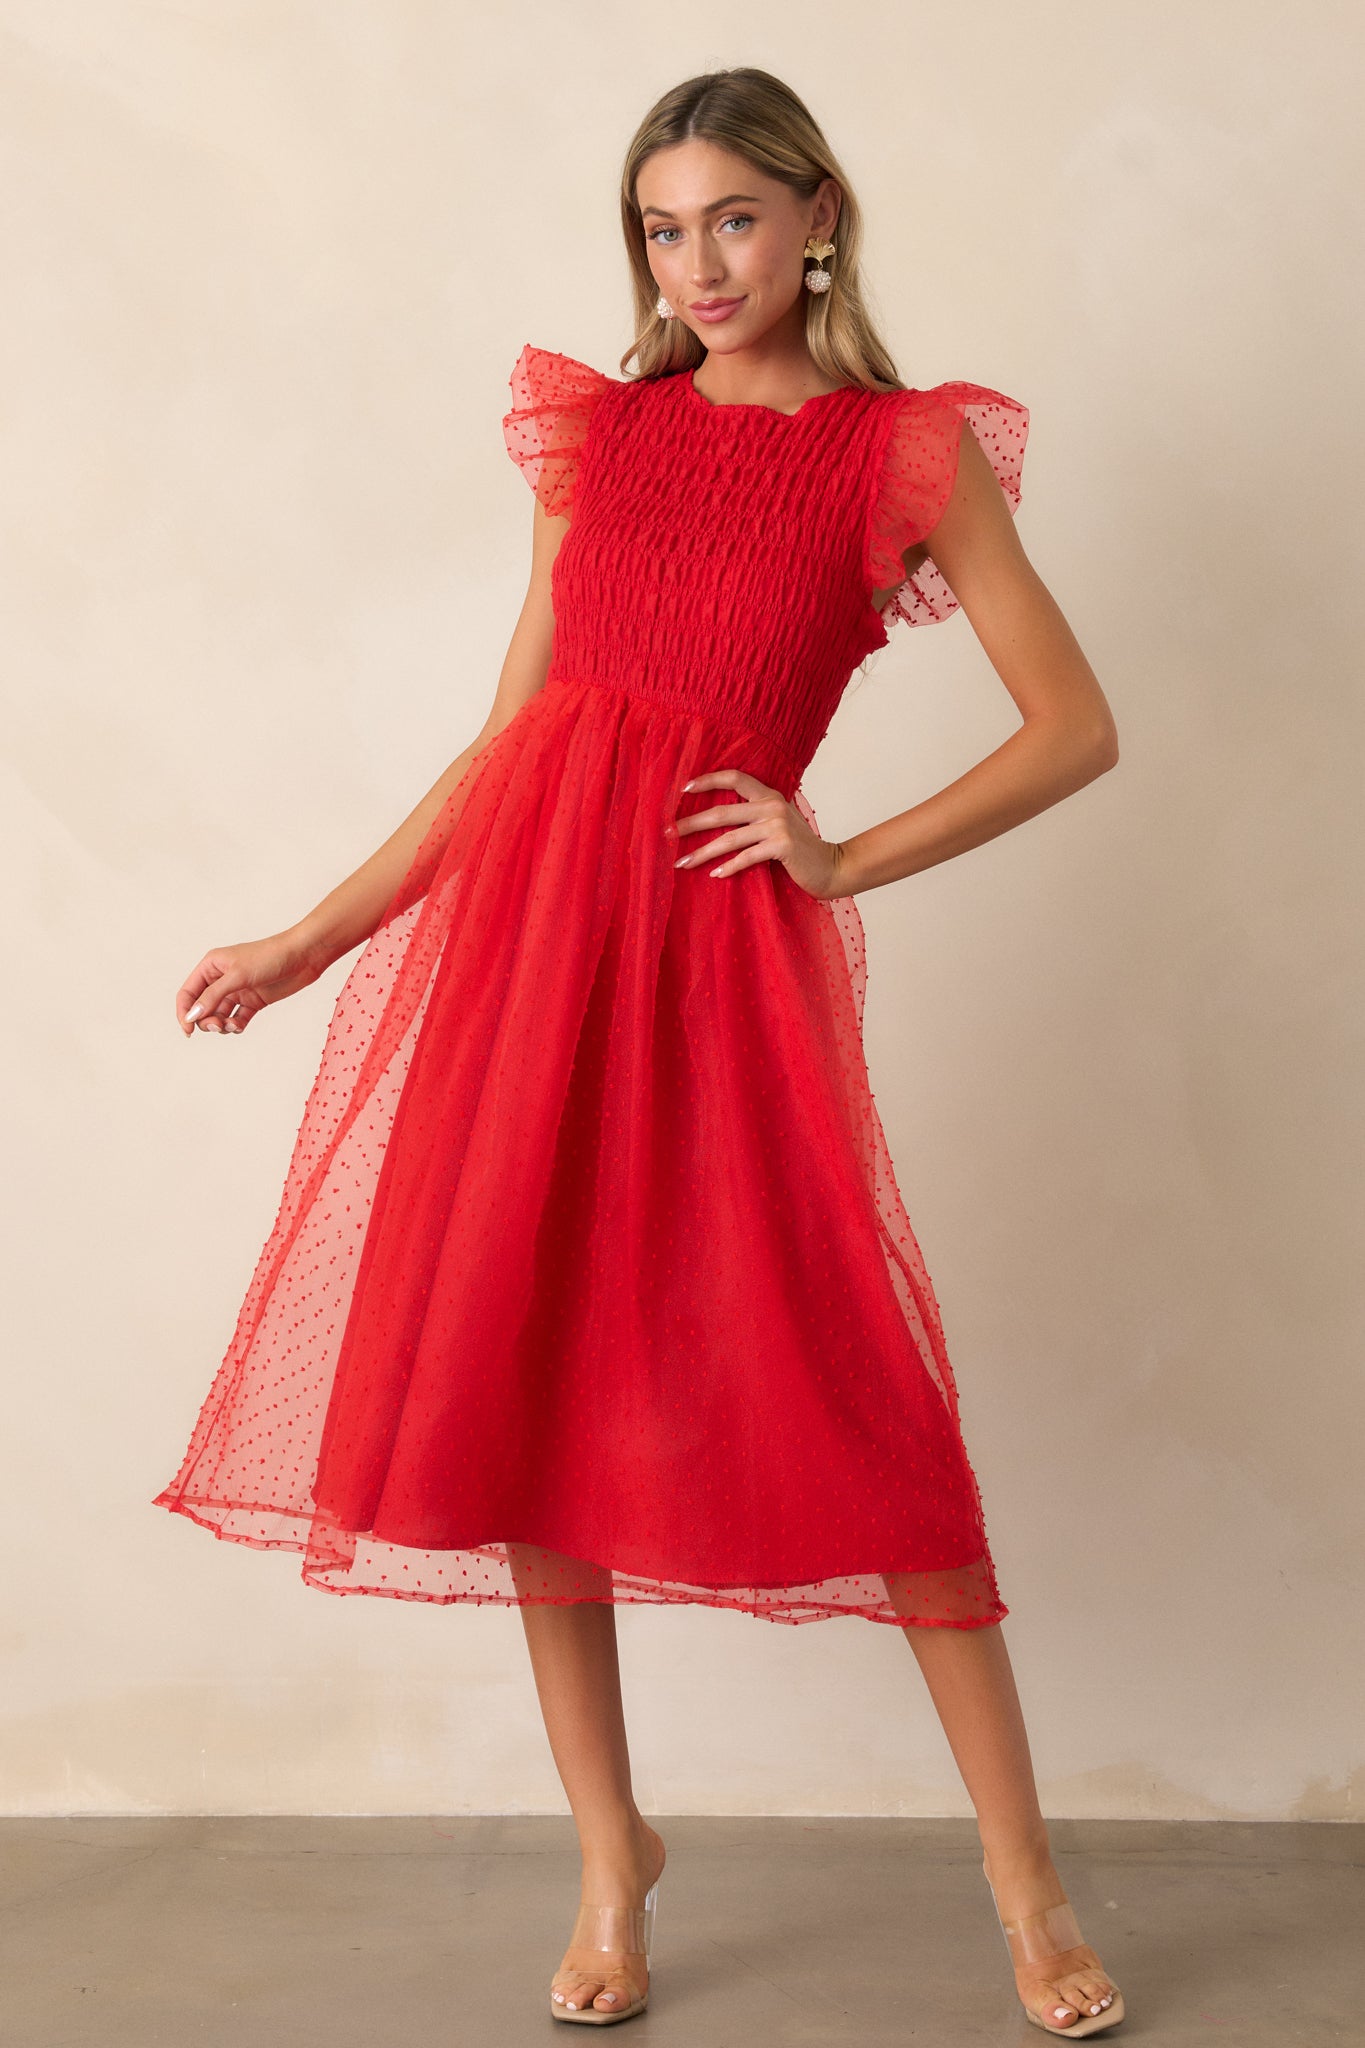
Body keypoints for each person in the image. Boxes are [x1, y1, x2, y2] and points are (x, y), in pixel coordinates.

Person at [157, 65, 1124, 2039]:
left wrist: (835, 846)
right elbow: (514, 741)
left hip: (713, 977)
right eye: (661, 230)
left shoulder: (902, 455)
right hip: (525, 960)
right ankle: (613, 1858)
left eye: (734, 222)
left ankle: (1022, 1886)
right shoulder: (594, 440)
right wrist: (306, 936)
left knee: (861, 1405)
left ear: (818, 214)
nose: (699, 264)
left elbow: (1068, 725)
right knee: (520, 1390)